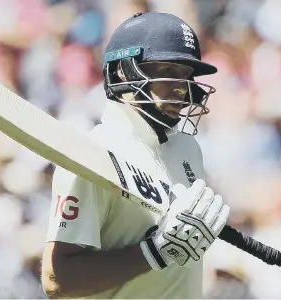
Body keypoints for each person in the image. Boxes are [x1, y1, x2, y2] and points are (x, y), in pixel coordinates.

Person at [41, 12, 230, 299]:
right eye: (168, 71)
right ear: (123, 71)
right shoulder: (91, 154)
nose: (181, 89)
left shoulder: (187, 150)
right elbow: (57, 279)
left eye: (186, 76)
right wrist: (155, 252)